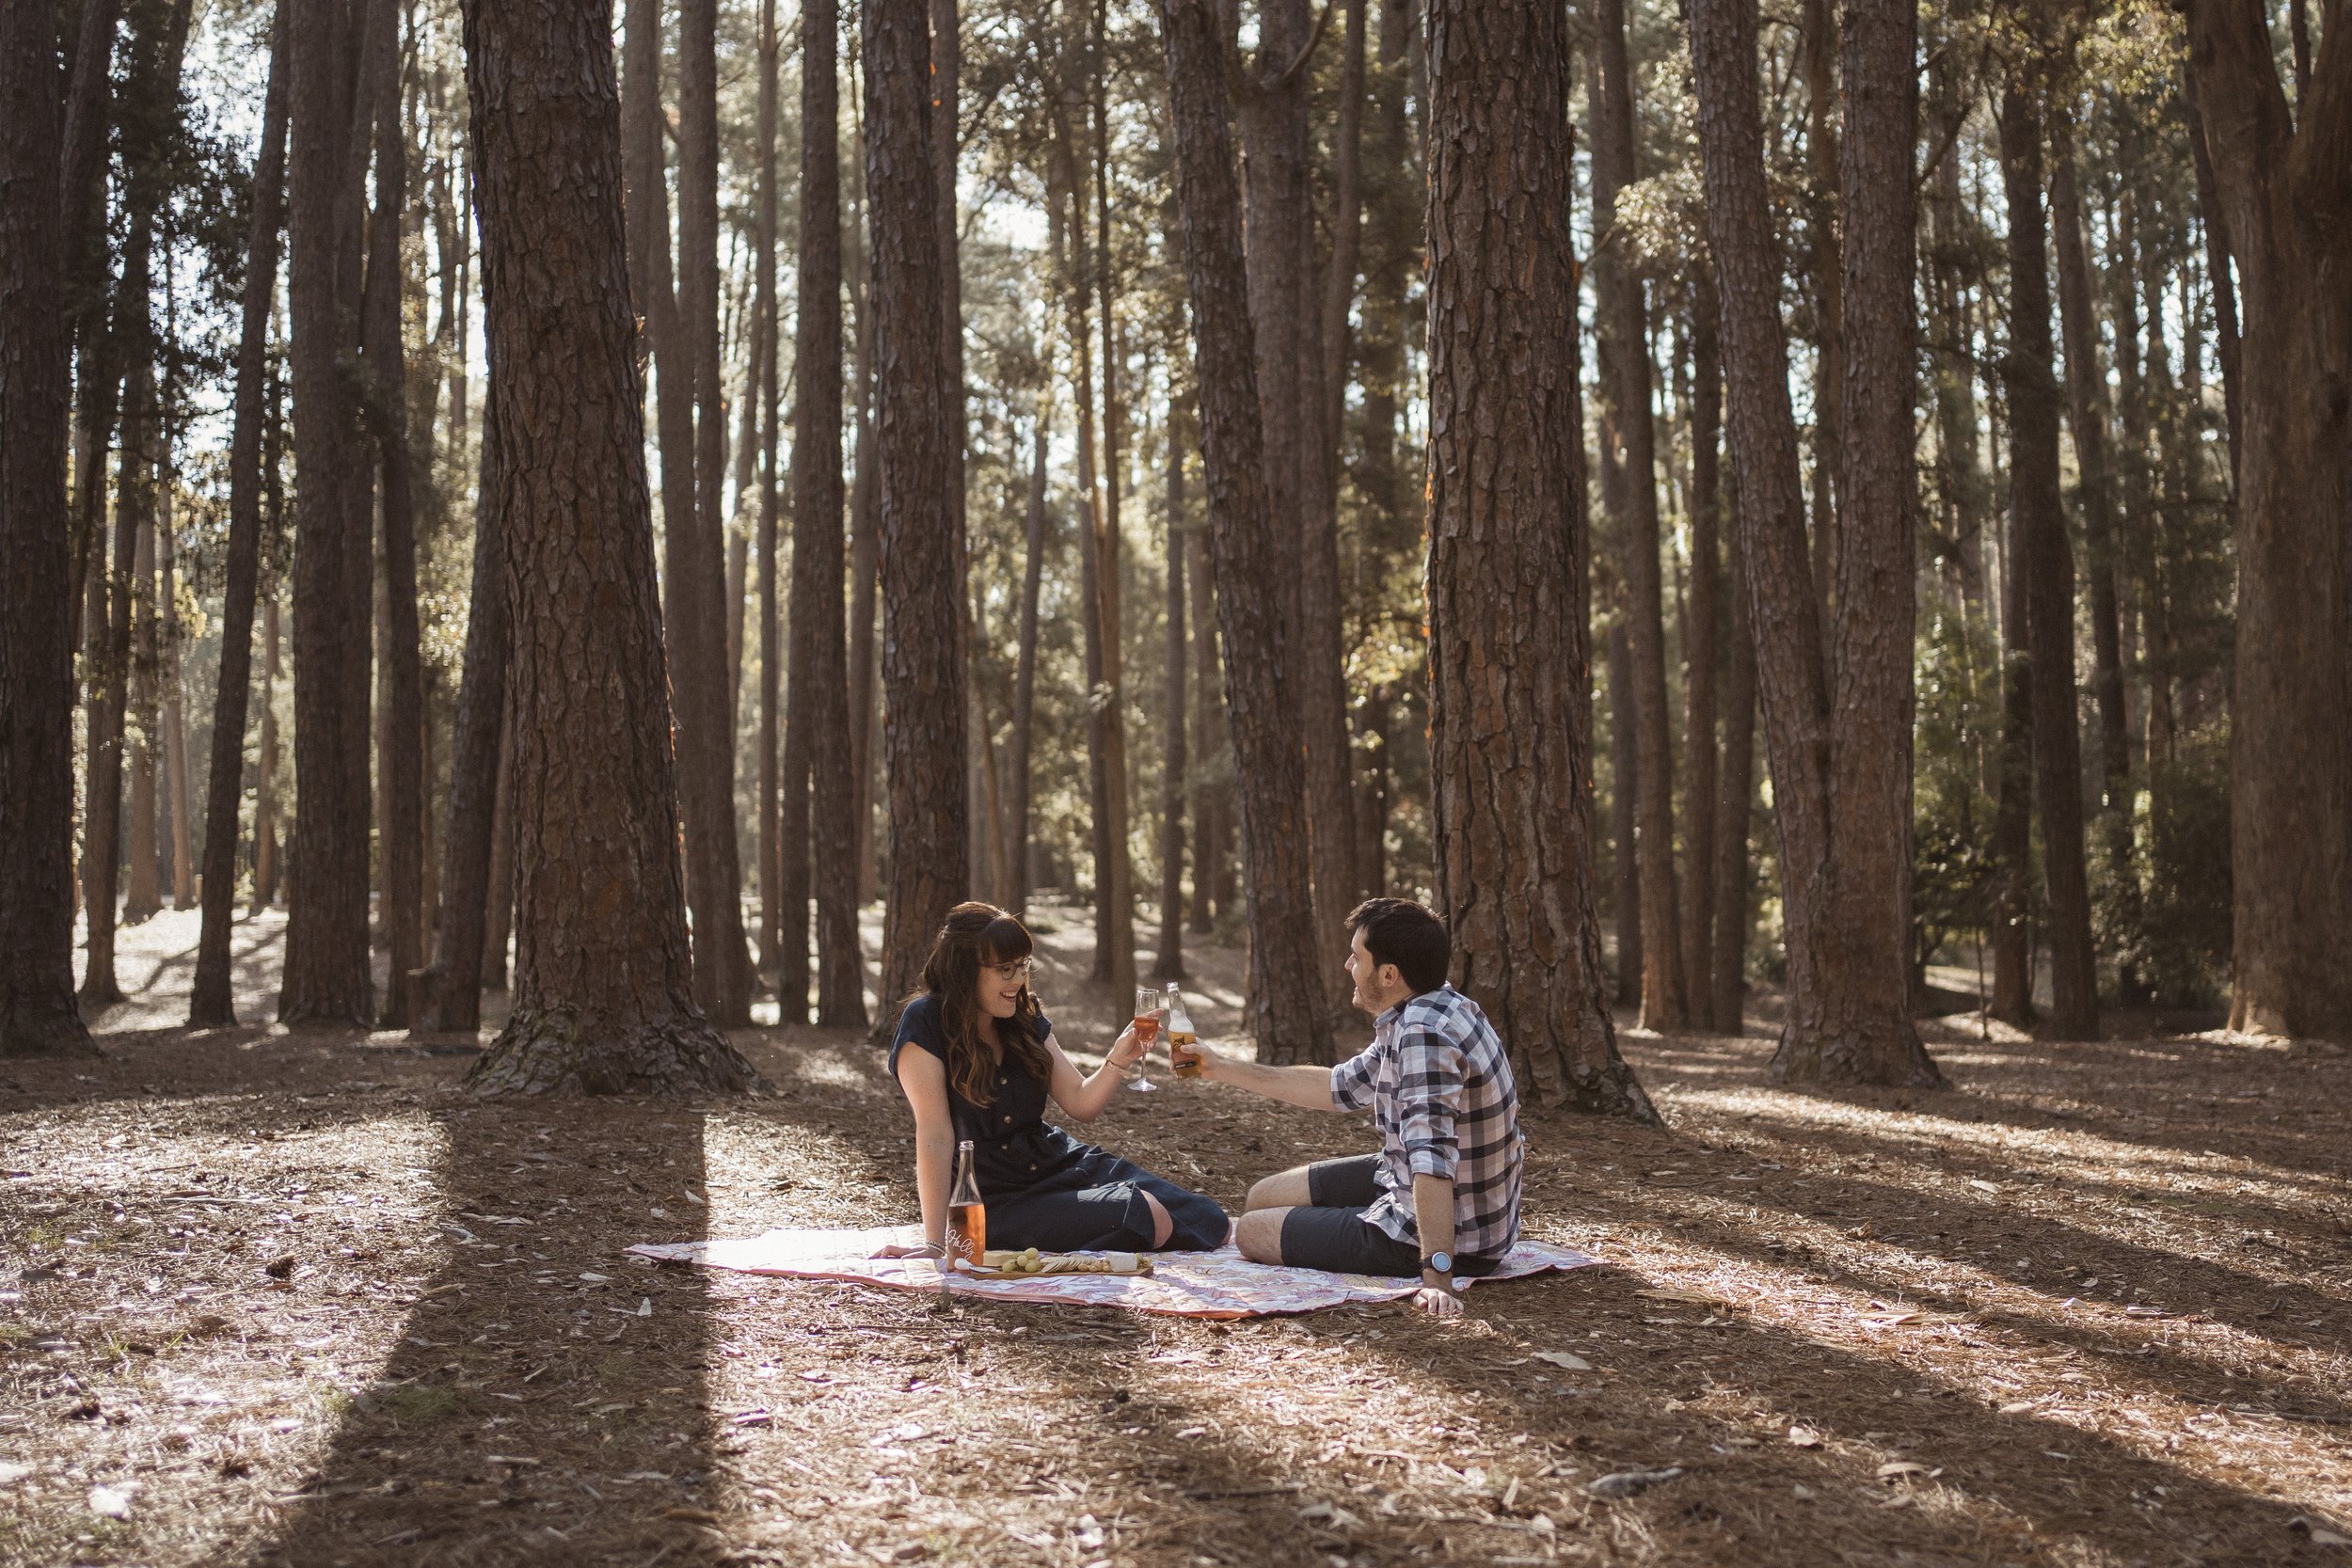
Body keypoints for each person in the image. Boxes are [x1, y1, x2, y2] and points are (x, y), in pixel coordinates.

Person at [1183, 897, 1523, 1317]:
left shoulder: (1423, 1035)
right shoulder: (1431, 1006)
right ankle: (1350, 1222)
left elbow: (1432, 1160)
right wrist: (1221, 1068)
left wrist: (1437, 1277)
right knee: (1260, 1197)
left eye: (1356, 956)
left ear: (1388, 974)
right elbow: (1339, 1087)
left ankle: (1388, 1239)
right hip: (1401, 1179)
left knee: (1252, 1233)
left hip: (1454, 1235)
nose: (1348, 966)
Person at [874, 902, 1231, 1261]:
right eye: (1005, 969)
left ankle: (1076, 1217)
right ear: (965, 970)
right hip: (994, 1200)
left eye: (1023, 966)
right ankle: (997, 1233)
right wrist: (936, 1244)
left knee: (1209, 1221)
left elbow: (1080, 1102)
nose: (1019, 980)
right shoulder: (925, 1023)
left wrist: (1118, 1059)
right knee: (1143, 1214)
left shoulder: (1023, 1015)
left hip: (1059, 1165)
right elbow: (935, 1136)